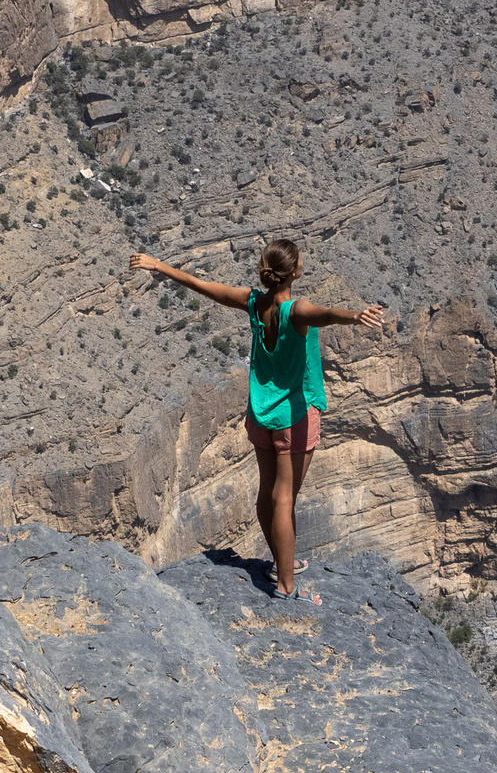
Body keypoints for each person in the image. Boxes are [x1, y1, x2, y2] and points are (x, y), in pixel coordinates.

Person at [130, 240, 384, 604]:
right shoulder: (296, 310)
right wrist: (355, 316)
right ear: (293, 272)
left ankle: (282, 563)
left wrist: (159, 266)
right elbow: (325, 314)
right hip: (294, 416)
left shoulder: (253, 302)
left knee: (269, 493)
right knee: (285, 497)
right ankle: (286, 585)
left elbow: (203, 286)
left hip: (260, 414)